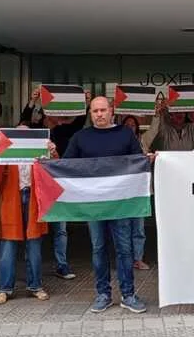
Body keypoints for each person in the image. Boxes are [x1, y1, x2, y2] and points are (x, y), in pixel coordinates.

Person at [62, 96, 148, 314]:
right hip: (94, 205)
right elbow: (66, 165)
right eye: (95, 111)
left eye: (103, 110)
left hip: (121, 204)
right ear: (90, 114)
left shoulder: (125, 134)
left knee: (124, 249)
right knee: (98, 249)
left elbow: (138, 161)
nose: (99, 114)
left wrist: (149, 159)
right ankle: (103, 294)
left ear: (111, 111)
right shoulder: (80, 137)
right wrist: (49, 157)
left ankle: (128, 294)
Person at [0, 130, 57, 305]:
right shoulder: (7, 151)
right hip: (12, 200)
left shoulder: (39, 150)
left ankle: (35, 286)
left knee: (34, 245)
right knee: (8, 246)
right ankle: (4, 289)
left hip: (33, 199)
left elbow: (54, 170)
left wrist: (53, 152)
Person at [44, 95, 89, 280]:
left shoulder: (62, 131)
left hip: (57, 185)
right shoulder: (33, 130)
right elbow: (22, 122)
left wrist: (85, 103)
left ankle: (61, 265)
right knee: (30, 231)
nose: (53, 117)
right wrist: (33, 102)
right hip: (32, 187)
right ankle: (31, 270)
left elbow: (78, 122)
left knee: (60, 228)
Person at [120, 114, 150, 271]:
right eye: (127, 125)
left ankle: (138, 259)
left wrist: (158, 114)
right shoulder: (117, 142)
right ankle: (125, 259)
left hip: (139, 191)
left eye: (133, 125)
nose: (130, 127)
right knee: (123, 227)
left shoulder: (144, 141)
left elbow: (155, 128)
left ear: (137, 128)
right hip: (122, 190)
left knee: (138, 227)